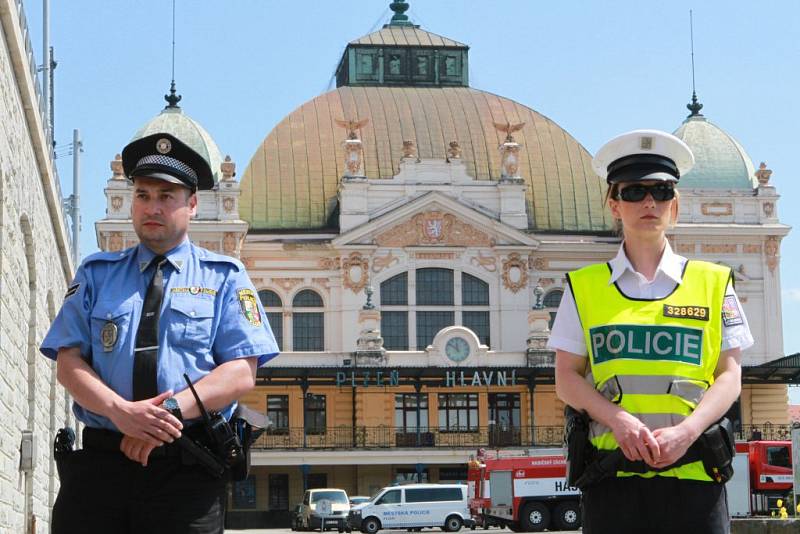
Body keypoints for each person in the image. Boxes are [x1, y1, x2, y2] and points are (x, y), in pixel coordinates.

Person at [40, 132, 280, 534]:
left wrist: (162, 419)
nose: (152, 206)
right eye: (143, 194)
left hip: (185, 468)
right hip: (102, 466)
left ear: (192, 204)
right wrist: (123, 414)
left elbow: (241, 371)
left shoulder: (225, 278)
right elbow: (68, 362)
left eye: (166, 196)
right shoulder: (96, 274)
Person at [550, 130, 752, 534]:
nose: (648, 202)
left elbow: (729, 376)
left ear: (674, 206)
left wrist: (686, 431)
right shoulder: (584, 287)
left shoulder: (714, 283)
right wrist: (618, 421)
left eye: (661, 191)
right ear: (614, 204)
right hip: (613, 480)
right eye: (634, 191)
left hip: (696, 474)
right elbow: (566, 377)